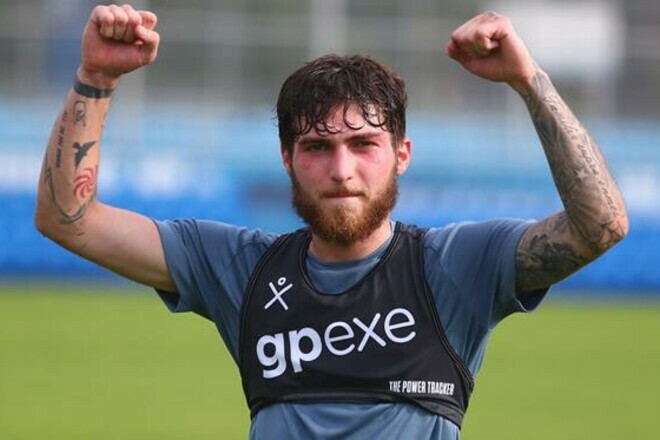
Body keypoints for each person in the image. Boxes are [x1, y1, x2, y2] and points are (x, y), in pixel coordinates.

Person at [35, 4, 628, 440]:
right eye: (317, 147)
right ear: (287, 159)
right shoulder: (241, 268)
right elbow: (70, 220)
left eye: (363, 144)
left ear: (401, 155)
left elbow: (600, 225)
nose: (341, 170)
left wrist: (529, 81)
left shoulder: (455, 266)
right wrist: (97, 78)